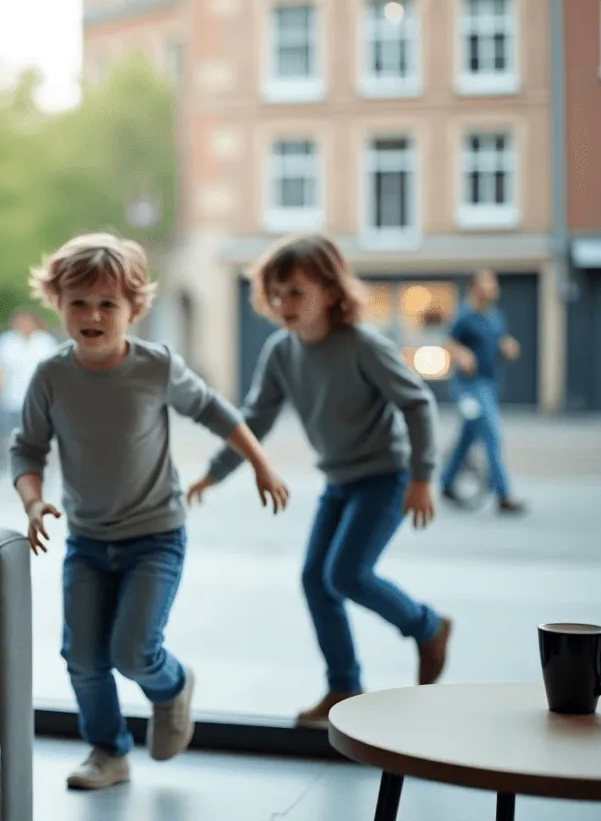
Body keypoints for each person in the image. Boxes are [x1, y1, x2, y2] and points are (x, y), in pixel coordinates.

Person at [9, 232, 290, 790]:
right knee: (83, 658)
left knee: (133, 652)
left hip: (155, 536)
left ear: (134, 308)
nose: (92, 315)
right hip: (87, 541)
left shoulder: (155, 367)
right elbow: (27, 449)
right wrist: (35, 501)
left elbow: (214, 411)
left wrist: (259, 463)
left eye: (107, 303)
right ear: (57, 304)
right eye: (79, 302)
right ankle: (108, 753)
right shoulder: (51, 377)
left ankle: (172, 686)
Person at [187, 234, 454, 728]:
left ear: (331, 292)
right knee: (316, 579)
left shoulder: (362, 344)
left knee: (346, 574)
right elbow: (255, 419)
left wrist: (422, 477)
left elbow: (417, 403)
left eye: (297, 292)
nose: (284, 304)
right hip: (339, 481)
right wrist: (213, 473)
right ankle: (344, 686)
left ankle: (428, 626)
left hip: (385, 478)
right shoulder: (281, 352)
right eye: (276, 293)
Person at [439, 269, 526, 514]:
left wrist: (507, 346)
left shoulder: (494, 316)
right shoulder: (464, 315)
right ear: (475, 288)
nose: (494, 287)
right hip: (469, 387)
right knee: (491, 434)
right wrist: (461, 353)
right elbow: (448, 342)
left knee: (468, 436)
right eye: (490, 283)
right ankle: (503, 495)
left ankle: (446, 482)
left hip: (488, 385)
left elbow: (500, 340)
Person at [0, 308, 60, 431]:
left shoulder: (45, 342)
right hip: (10, 402)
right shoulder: (6, 342)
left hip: (38, 404)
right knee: (9, 442)